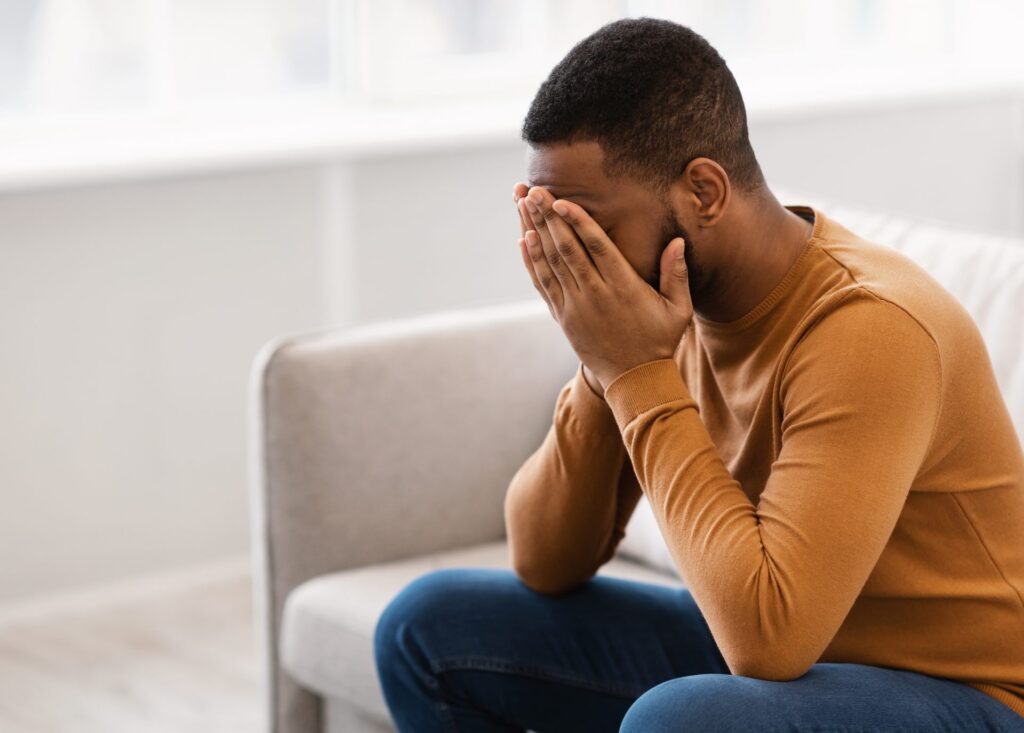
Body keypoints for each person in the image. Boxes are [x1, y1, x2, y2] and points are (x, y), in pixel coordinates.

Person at [374, 17, 1024, 732]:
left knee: (684, 719)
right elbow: (544, 561)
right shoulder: (654, 307)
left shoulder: (872, 327)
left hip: (968, 694)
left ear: (705, 193)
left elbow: (767, 638)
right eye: (551, 227)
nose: (572, 259)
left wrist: (635, 369)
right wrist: (602, 366)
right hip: (798, 659)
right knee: (427, 629)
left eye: (588, 228)